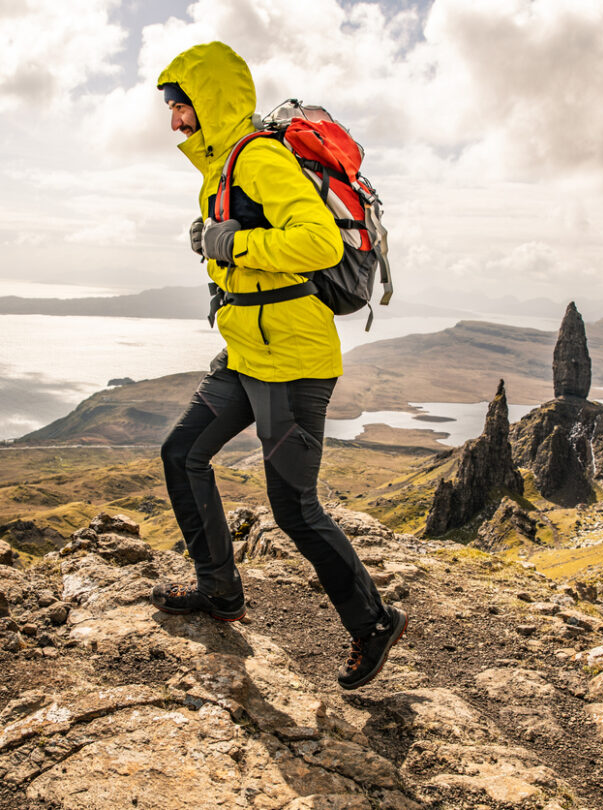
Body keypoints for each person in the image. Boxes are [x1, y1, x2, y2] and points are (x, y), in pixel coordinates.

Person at [150, 41, 407, 690]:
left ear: (206, 103)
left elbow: (317, 242)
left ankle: (373, 621)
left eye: (180, 107)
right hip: (245, 354)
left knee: (293, 509)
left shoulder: (259, 157)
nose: (174, 122)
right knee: (182, 453)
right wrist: (212, 244)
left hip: (292, 363)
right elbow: (241, 256)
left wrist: (232, 241)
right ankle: (222, 593)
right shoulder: (221, 170)